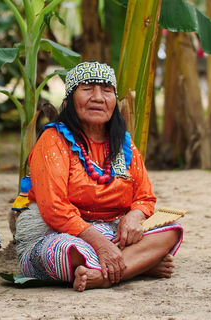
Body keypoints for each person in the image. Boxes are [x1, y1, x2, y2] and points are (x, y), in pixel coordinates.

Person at [14, 61, 183, 291]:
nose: (98, 98)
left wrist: (133, 217)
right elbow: (54, 207)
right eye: (87, 89)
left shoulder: (123, 143)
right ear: (69, 101)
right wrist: (101, 244)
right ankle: (138, 264)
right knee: (70, 252)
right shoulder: (53, 140)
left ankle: (104, 276)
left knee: (171, 230)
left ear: (114, 100)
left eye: (106, 90)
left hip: (114, 232)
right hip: (59, 233)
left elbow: (145, 197)